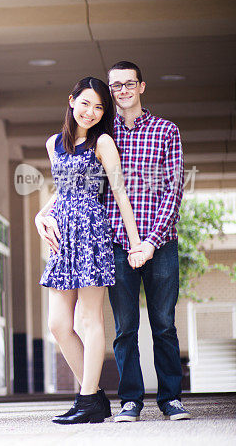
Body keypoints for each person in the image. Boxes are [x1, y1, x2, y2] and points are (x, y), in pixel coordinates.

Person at [34, 76, 146, 424]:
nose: (91, 112)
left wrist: (136, 242)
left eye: (99, 106)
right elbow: (62, 189)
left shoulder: (104, 142)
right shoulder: (54, 143)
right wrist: (41, 213)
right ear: (71, 101)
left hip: (91, 232)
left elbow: (119, 194)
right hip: (62, 235)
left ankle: (87, 399)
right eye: (85, 103)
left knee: (88, 319)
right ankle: (94, 397)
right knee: (57, 324)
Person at [104, 61, 190, 422]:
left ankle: (171, 398)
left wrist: (151, 242)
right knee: (125, 328)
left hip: (161, 243)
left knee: (164, 324)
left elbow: (174, 189)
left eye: (128, 84)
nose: (122, 91)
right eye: (115, 86)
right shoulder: (103, 135)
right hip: (117, 244)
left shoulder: (166, 130)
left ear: (142, 86)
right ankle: (130, 401)